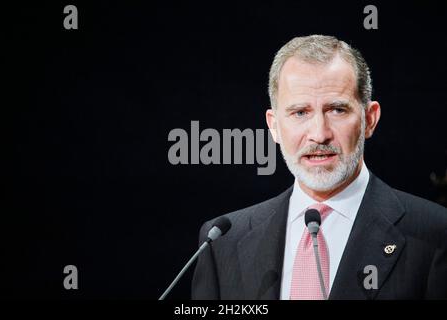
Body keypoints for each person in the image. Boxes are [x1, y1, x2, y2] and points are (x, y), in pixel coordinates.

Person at [191, 35, 447, 300]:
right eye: (300, 112)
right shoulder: (223, 242)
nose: (319, 134)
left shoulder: (435, 235)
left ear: (369, 119)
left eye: (337, 110)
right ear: (274, 126)